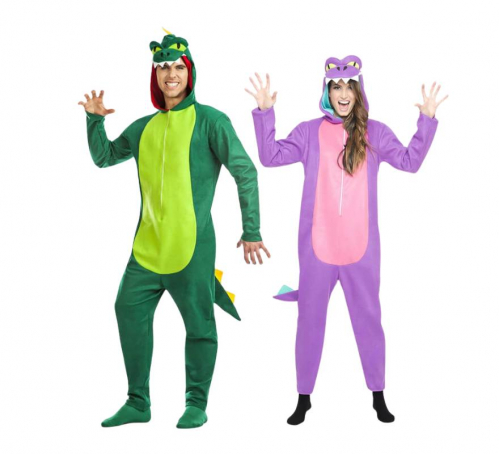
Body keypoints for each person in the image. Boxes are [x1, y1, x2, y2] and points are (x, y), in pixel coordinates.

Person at [78, 31, 270, 429]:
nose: (171, 74)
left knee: (199, 326)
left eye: (178, 67)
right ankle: (138, 402)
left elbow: (245, 171)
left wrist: (251, 229)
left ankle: (196, 403)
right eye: (163, 67)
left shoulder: (211, 121)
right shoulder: (143, 127)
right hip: (146, 250)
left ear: (190, 72)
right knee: (126, 309)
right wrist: (94, 120)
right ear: (155, 75)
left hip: (192, 248)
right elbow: (104, 157)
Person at [246, 56, 447, 424]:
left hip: (361, 249)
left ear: (358, 91)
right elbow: (270, 156)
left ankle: (378, 396)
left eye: (348, 87)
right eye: (336, 87)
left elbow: (410, 161)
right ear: (327, 91)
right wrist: (264, 114)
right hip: (317, 249)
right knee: (309, 323)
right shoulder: (309, 132)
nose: (342, 94)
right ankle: (303, 398)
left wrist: (427, 121)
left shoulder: (375, 133)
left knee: (369, 322)